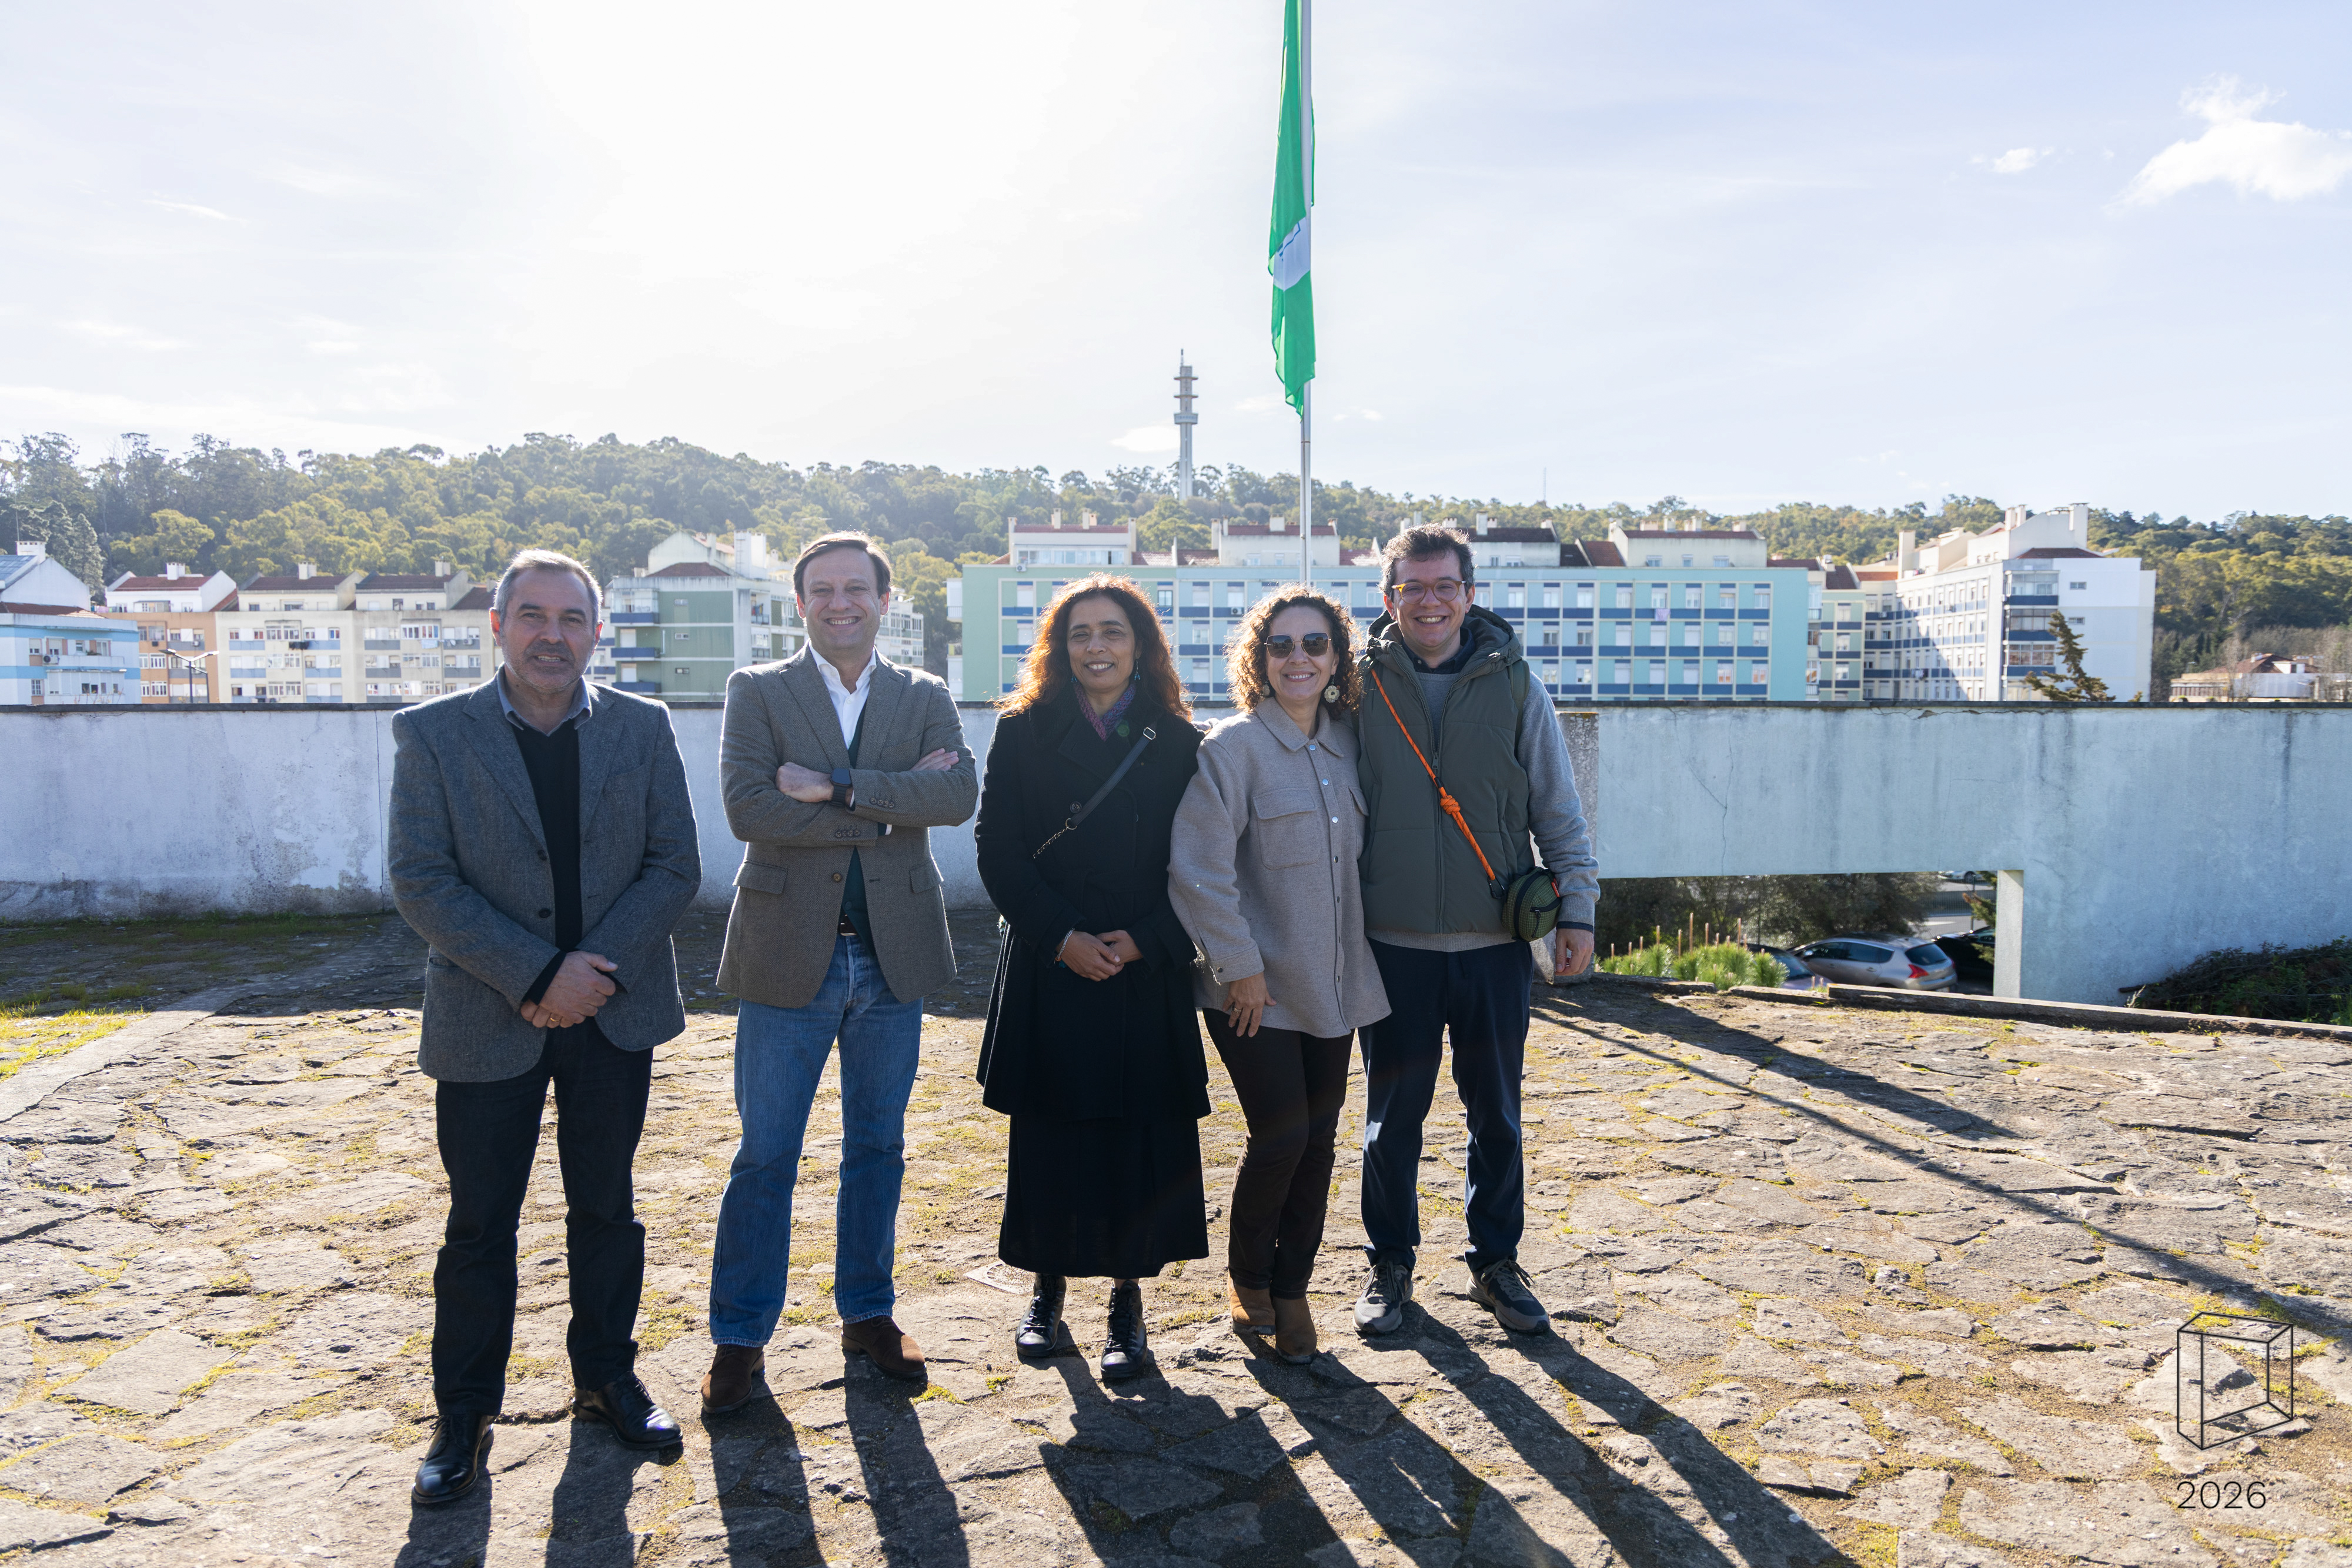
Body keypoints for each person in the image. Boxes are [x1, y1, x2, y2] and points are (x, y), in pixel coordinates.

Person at [389, 549, 701, 1505]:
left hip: (610, 1013)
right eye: (532, 615)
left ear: (596, 630)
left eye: (572, 618)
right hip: (489, 1014)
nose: (551, 635)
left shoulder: (644, 729)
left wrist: (585, 976)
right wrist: (535, 974)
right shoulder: (434, 734)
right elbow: (421, 878)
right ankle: (465, 1412)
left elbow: (672, 865)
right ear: (497, 624)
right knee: (481, 1224)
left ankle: (607, 1378)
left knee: (607, 1210)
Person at [702, 532, 975, 1406]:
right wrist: (891, 802)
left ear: (885, 601)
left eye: (856, 589)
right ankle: (740, 1338)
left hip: (893, 955)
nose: (840, 603)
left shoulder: (923, 694)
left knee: (879, 1147)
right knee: (766, 1155)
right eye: (822, 590)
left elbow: (958, 798)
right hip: (789, 955)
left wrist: (835, 786)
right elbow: (749, 810)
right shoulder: (758, 691)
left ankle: (867, 1314)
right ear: (801, 603)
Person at [1351, 524, 1598, 1338]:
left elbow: (1556, 810)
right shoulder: (1354, 689)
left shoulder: (1518, 685)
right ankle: (1390, 1262)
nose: (1429, 601)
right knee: (1393, 1121)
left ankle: (1497, 1261)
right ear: (1390, 598)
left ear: (1469, 593)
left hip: (1494, 946)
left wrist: (1578, 910)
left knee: (1497, 1113)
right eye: (1412, 587)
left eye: (1443, 586)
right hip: (1391, 946)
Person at [974, 574, 1207, 1381]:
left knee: (1137, 1141)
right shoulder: (1020, 731)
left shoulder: (1179, 740)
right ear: (1058, 646)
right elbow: (997, 851)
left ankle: (1128, 1308)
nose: (1096, 647)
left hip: (1144, 967)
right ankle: (1046, 1293)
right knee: (1050, 1138)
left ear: (1140, 644)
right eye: (1080, 633)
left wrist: (1149, 941)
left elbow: (1207, 865)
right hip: (1053, 962)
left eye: (1113, 631)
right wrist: (1062, 936)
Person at [1168, 588, 1388, 1365]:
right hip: (1254, 992)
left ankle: (1292, 1287)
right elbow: (1197, 869)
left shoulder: (1352, 747)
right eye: (1283, 645)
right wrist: (1239, 968)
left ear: (1336, 660)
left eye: (1316, 644)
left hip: (1333, 987)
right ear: (1257, 660)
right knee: (1282, 1133)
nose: (1300, 658)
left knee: (1321, 1141)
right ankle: (1246, 1276)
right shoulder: (1230, 750)